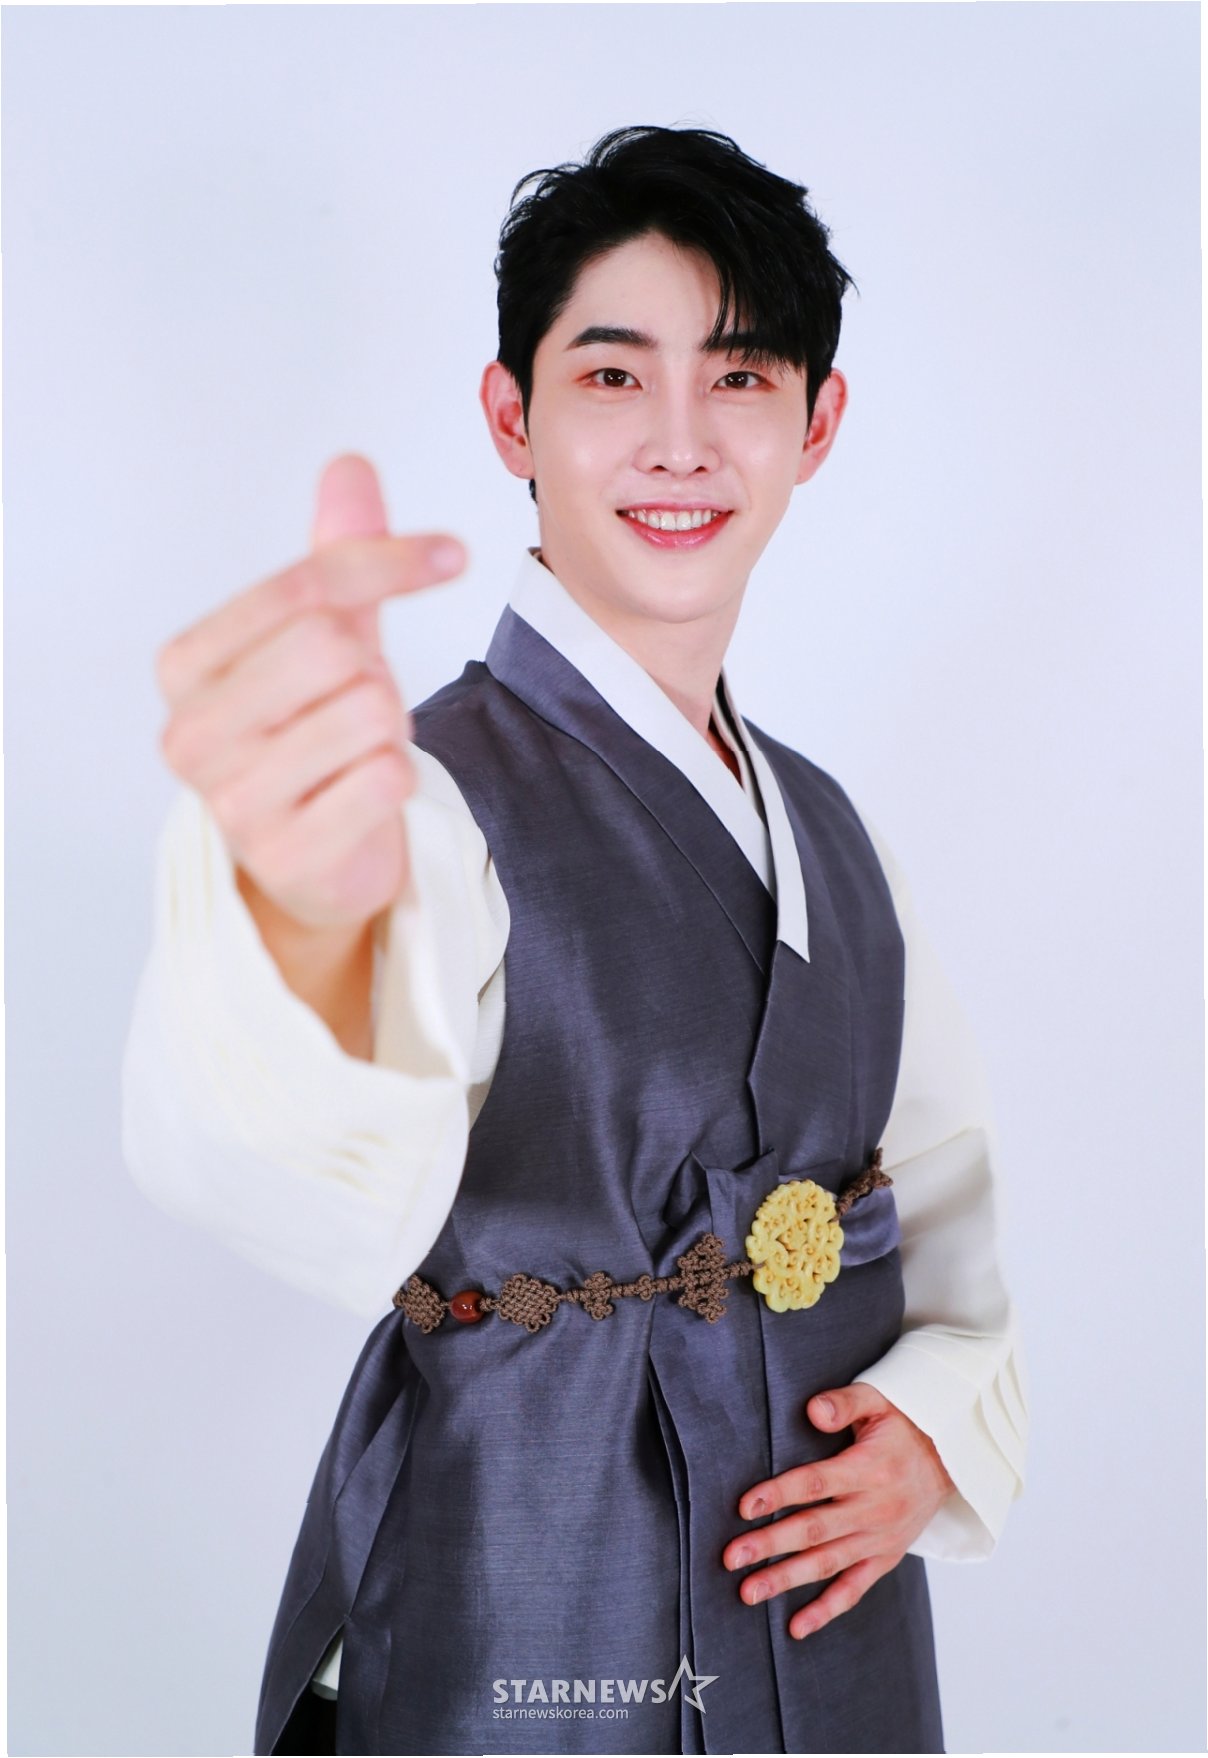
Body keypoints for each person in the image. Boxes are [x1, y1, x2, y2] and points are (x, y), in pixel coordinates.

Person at [121, 125, 1029, 1755]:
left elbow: (942, 1205)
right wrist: (299, 913)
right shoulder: (424, 803)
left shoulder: (834, 831)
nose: (679, 440)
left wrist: (933, 1428)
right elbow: (307, 1160)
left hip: (832, 1624)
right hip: (526, 1582)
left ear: (816, 425)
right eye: (613, 376)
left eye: (739, 377)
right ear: (511, 416)